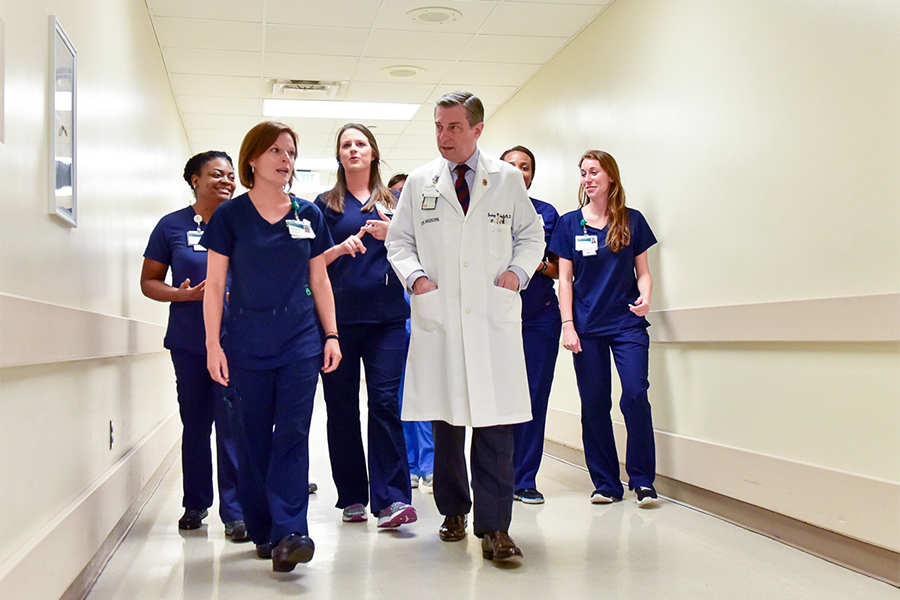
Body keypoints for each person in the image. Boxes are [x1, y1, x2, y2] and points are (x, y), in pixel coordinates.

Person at [385, 91, 545, 561]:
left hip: (491, 318)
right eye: (438, 126)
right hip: (442, 318)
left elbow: (531, 236)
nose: (444, 136)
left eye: (454, 127)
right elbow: (399, 242)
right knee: (447, 423)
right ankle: (453, 511)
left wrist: (517, 273)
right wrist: (417, 279)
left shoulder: (506, 178)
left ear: (477, 130)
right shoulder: (420, 181)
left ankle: (495, 529)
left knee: (495, 427)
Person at [201, 121, 341, 572]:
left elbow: (319, 279)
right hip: (246, 341)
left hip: (300, 339)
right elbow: (215, 285)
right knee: (254, 438)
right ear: (253, 159)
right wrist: (212, 345)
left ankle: (290, 531)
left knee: (294, 434)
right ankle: (263, 527)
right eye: (277, 151)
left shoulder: (308, 214)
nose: (286, 160)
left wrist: (332, 334)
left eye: (292, 153)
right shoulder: (230, 216)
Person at [314, 123, 416, 528]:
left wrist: (393, 233)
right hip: (337, 322)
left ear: (373, 153)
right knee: (340, 408)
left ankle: (392, 499)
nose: (353, 150)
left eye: (361, 144)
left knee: (386, 404)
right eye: (346, 145)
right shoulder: (324, 206)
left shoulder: (397, 202)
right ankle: (353, 495)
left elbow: (420, 250)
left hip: (387, 320)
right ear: (339, 155)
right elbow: (310, 263)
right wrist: (339, 249)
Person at [141, 151, 247, 541]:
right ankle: (195, 503)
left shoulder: (242, 224)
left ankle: (235, 512)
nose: (226, 181)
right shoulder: (171, 226)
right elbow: (149, 281)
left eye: (231, 175)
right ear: (194, 180)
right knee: (196, 423)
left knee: (232, 426)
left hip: (235, 342)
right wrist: (180, 295)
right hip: (188, 342)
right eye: (217, 174)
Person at [548, 150, 659, 507]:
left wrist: (646, 297)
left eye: (594, 172)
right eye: (583, 173)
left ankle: (642, 481)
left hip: (627, 323)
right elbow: (565, 280)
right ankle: (607, 483)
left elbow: (643, 272)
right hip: (587, 326)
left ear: (610, 176)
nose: (588, 178)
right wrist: (568, 325)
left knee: (635, 395)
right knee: (595, 403)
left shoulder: (632, 220)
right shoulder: (569, 224)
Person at [500, 145, 561, 505]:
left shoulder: (546, 213)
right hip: (495, 316)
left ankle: (524, 479)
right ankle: (494, 477)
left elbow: (556, 268)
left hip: (538, 317)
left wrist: (532, 260)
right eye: (511, 165)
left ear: (532, 176)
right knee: (497, 398)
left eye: (525, 167)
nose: (518, 171)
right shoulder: (481, 210)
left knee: (534, 396)